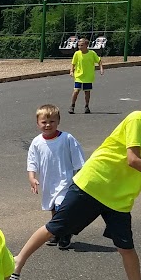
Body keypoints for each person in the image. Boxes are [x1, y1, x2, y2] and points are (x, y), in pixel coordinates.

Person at [5, 80, 141, 280]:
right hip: (92, 184)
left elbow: (140, 170)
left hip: (119, 198)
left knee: (126, 248)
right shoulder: (137, 119)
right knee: (55, 228)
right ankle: (18, 261)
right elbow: (133, 159)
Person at [26, 104, 85, 250]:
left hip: (65, 180)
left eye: (52, 121)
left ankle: (65, 233)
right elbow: (32, 161)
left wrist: (80, 176)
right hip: (48, 181)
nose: (48, 125)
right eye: (44, 122)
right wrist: (32, 177)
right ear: (38, 123)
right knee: (53, 207)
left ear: (58, 121)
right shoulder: (37, 142)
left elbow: (79, 160)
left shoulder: (66, 138)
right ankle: (57, 232)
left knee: (61, 207)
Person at [69, 37, 103, 114]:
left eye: (81, 45)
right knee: (76, 91)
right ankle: (72, 105)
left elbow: (99, 61)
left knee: (87, 92)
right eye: (79, 45)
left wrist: (101, 69)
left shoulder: (92, 53)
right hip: (79, 76)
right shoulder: (77, 53)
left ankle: (86, 106)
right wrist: (71, 71)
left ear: (86, 45)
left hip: (88, 76)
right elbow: (73, 63)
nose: (80, 47)